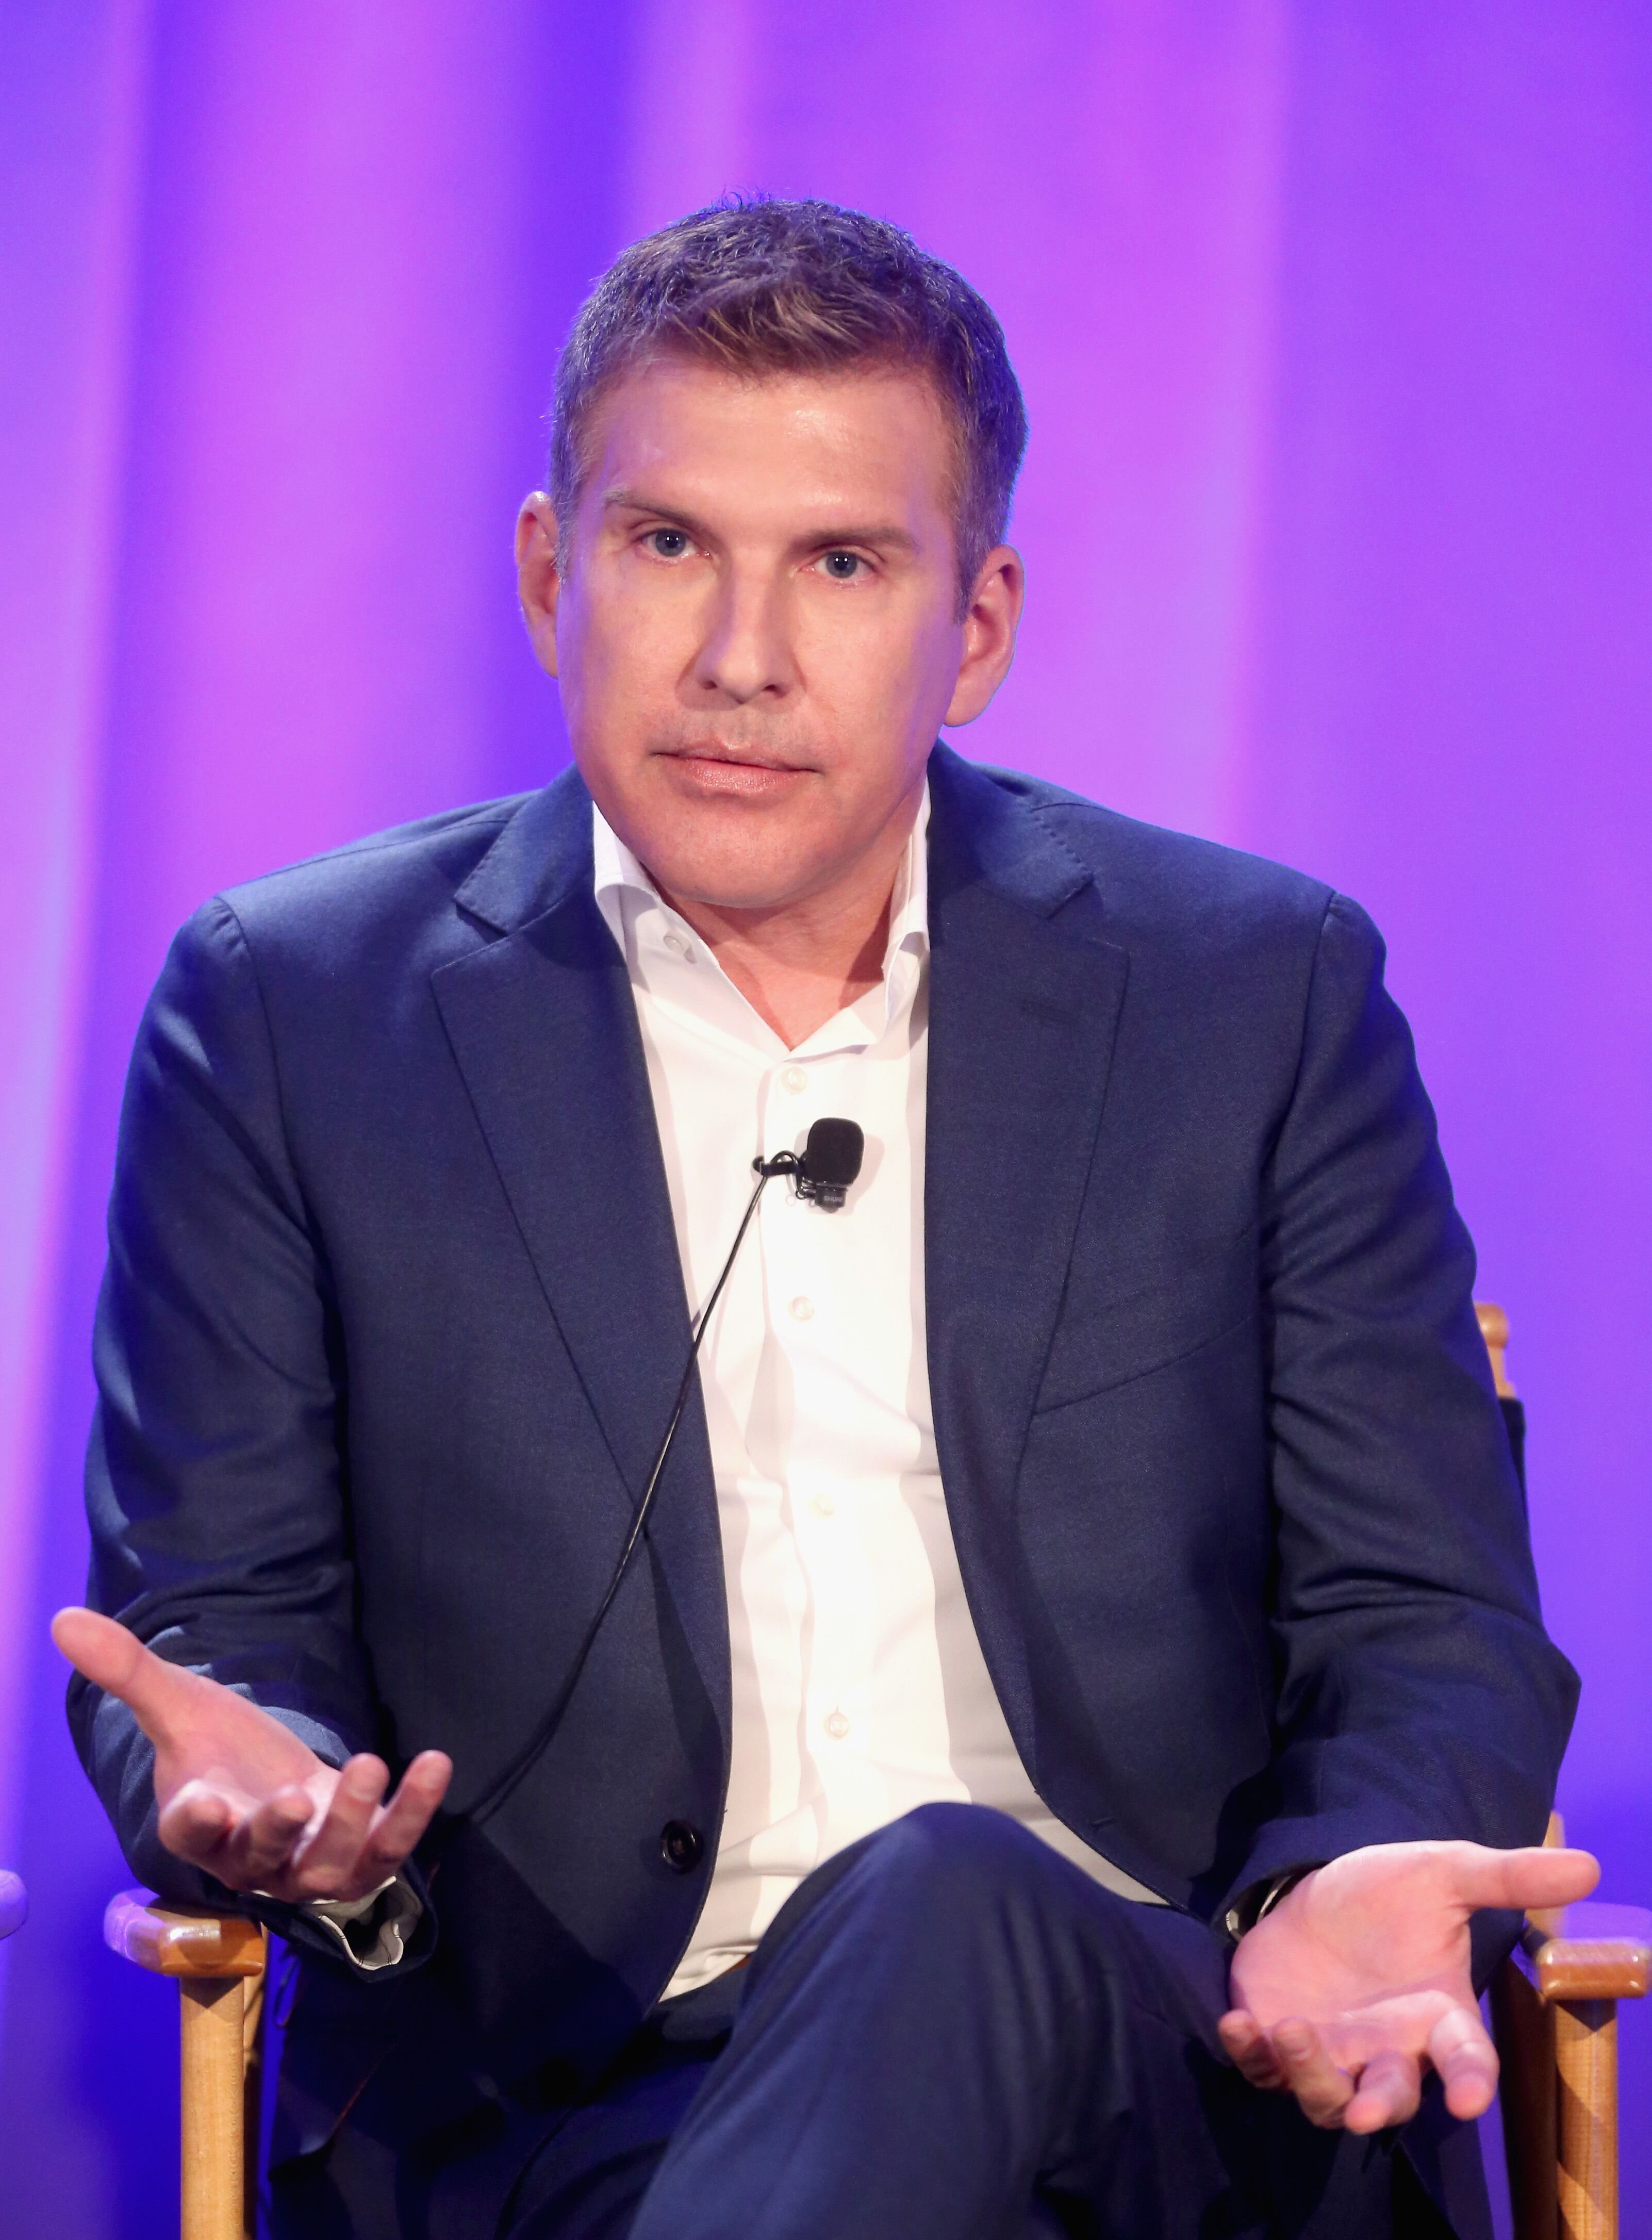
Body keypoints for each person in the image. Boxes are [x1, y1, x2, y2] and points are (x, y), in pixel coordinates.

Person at [56, 199, 1585, 2239]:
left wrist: (1364, 1871)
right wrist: (260, 1795)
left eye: (842, 564)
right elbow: (211, 1624)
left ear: (977, 628)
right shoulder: (288, 1014)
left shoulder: (1255, 994)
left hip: (1179, 2078)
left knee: (944, 1894)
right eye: (668, 542)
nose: (738, 659)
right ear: (547, 573)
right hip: (575, 2112)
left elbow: (1428, 1617)